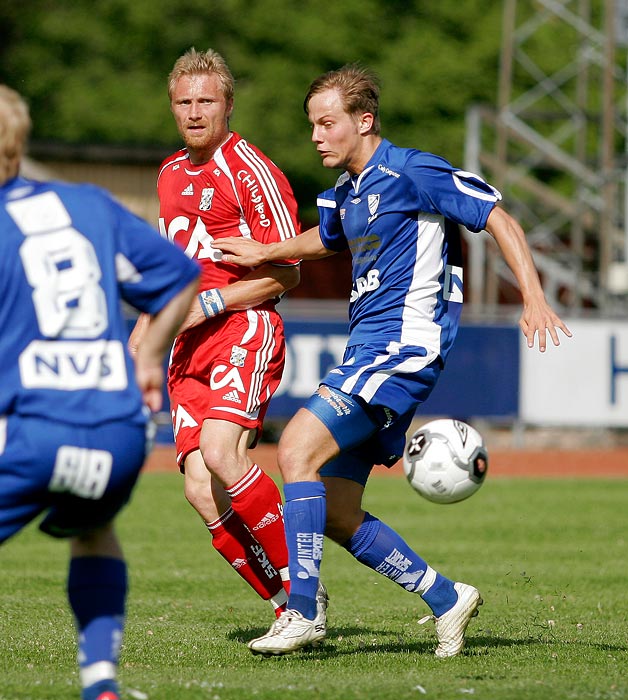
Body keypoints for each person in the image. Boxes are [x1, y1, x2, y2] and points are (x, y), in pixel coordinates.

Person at [213, 64, 573, 657]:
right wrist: (268, 251)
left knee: (295, 450)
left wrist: (533, 297)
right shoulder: (351, 191)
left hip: (401, 349)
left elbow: (497, 217)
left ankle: (301, 612)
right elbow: (327, 237)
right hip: (369, 350)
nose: (317, 136)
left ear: (365, 119)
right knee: (335, 509)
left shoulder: (412, 170)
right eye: (313, 125)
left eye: (327, 123)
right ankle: (445, 597)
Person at [0, 85, 199, 700]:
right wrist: (147, 362)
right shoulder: (87, 203)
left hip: (30, 429)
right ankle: (101, 684)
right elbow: (181, 279)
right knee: (94, 532)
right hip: (118, 433)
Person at [129, 48, 319, 620]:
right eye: (183, 102)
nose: (193, 111)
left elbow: (286, 272)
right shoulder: (167, 173)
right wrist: (148, 318)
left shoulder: (251, 171)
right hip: (187, 345)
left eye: (205, 100)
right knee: (198, 490)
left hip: (242, 325)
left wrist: (207, 303)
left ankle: (306, 596)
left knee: (221, 453)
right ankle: (289, 605)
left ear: (228, 105)